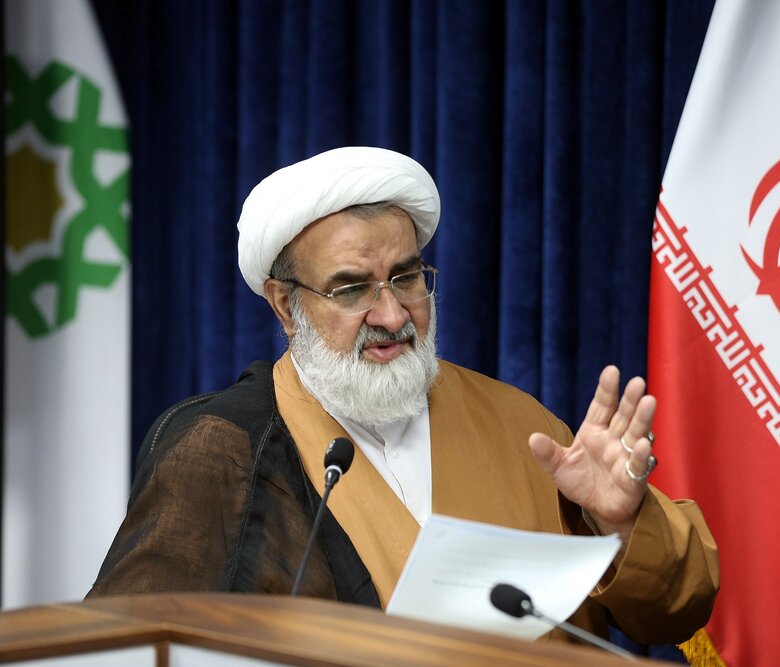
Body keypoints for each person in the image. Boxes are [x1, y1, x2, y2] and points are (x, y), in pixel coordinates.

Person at [89, 146, 719, 646]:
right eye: (351, 289)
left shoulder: (518, 427)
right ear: (285, 305)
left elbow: (673, 611)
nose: (392, 314)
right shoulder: (224, 450)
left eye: (407, 277)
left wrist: (621, 523)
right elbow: (130, 645)